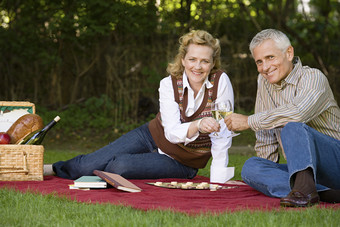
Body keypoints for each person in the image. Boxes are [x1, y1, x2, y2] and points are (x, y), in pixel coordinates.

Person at [47, 30, 235, 183]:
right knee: (86, 166)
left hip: (182, 161)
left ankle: (110, 171)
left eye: (205, 61)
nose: (198, 66)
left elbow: (222, 134)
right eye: (192, 59)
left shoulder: (221, 82)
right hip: (151, 135)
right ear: (183, 60)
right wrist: (198, 125)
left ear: (212, 64)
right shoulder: (168, 84)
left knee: (118, 167)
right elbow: (171, 132)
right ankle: (52, 169)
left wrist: (217, 181)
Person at [224, 28, 340, 207]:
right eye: (259, 62)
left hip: (335, 160)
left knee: (293, 126)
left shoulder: (314, 78)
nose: (265, 67)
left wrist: (249, 121)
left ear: (289, 53)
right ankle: (322, 192)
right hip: (305, 170)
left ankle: (305, 190)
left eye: (270, 57)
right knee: (251, 167)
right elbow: (265, 136)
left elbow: (297, 113)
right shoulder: (264, 81)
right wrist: (266, 171)